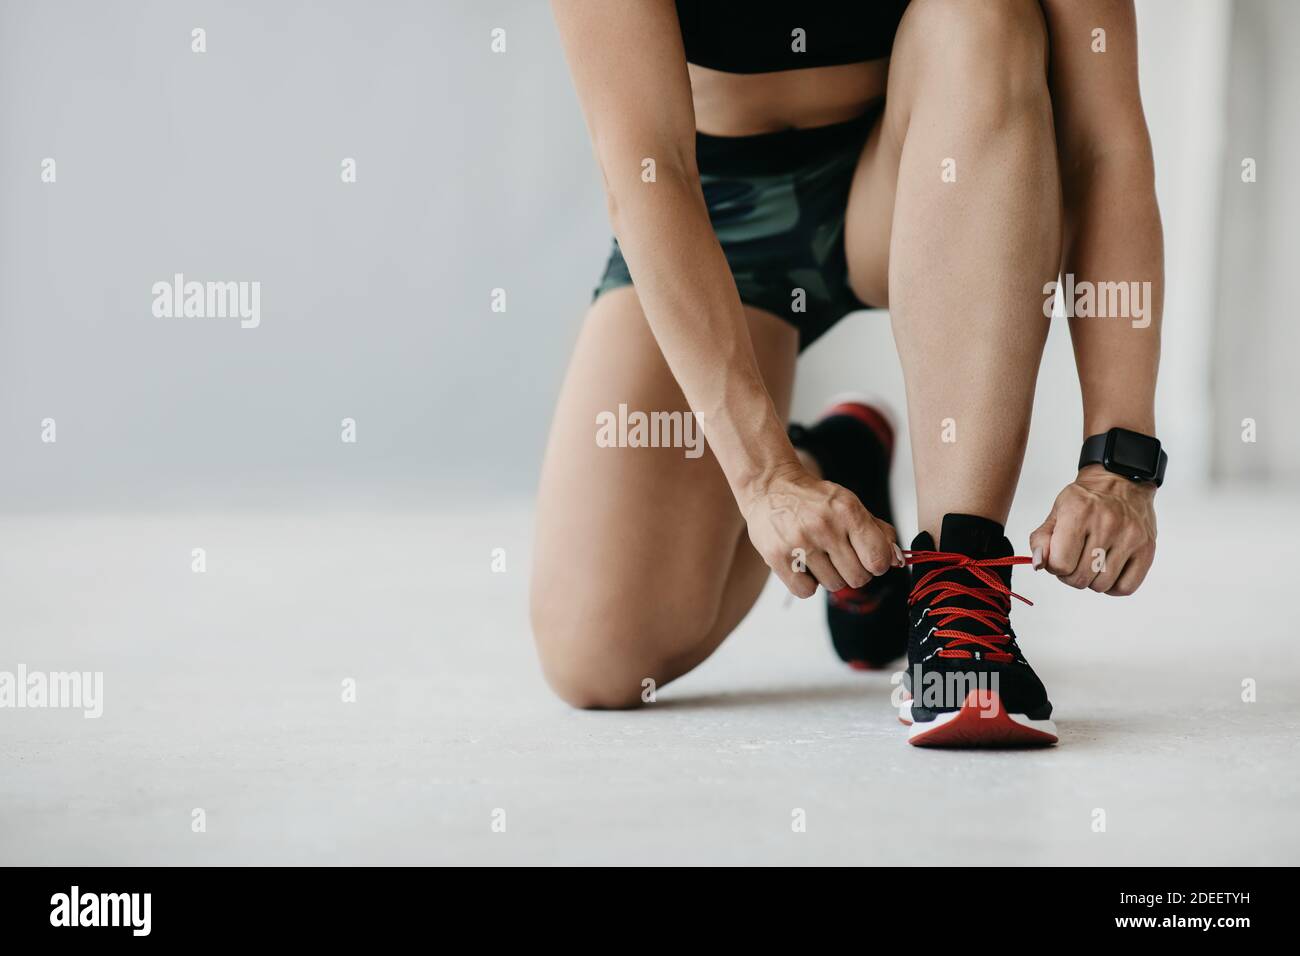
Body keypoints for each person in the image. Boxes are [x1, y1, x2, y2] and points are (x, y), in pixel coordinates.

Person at [530, 0, 1165, 747]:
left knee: (983, 16)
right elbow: (647, 171)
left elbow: (1105, 147)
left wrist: (1119, 463)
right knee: (599, 653)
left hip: (924, 173)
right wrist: (766, 476)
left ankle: (958, 578)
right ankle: (836, 467)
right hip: (711, 208)